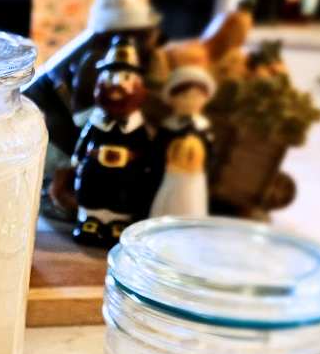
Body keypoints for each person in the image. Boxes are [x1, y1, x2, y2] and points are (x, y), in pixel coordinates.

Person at [69, 38, 157, 247]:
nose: (116, 85)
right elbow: (84, 140)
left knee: (124, 194)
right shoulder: (96, 120)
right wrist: (79, 156)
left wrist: (143, 164)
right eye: (110, 77)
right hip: (95, 170)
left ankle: (118, 222)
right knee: (91, 191)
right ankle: (90, 220)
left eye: (125, 77)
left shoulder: (138, 126)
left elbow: (146, 150)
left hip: (126, 174)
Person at [149, 66, 215, 219]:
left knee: (193, 203)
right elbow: (157, 151)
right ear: (172, 98)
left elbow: (210, 153)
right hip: (171, 176)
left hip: (195, 177)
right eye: (185, 96)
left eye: (198, 96)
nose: (191, 101)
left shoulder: (203, 127)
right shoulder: (168, 126)